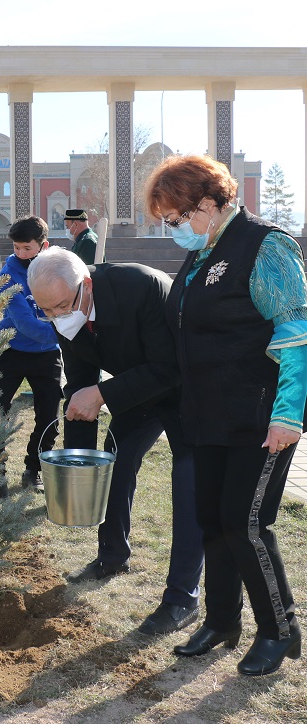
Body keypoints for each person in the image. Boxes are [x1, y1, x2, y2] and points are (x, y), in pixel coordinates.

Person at [144, 154, 307, 675]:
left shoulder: (265, 245)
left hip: (259, 418)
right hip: (206, 416)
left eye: (175, 218)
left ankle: (279, 631)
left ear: (209, 204)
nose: (173, 231)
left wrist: (288, 415)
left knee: (246, 522)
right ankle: (221, 621)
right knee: (212, 520)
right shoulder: (201, 253)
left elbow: (296, 331)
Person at [27, 247, 205, 636]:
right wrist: (78, 463)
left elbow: (169, 366)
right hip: (139, 390)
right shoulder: (62, 306)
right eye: (46, 311)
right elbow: (79, 382)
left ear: (85, 286)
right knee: (114, 462)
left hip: (191, 389)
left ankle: (182, 597)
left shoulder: (143, 287)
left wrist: (103, 395)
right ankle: (111, 556)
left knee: (189, 483)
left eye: (61, 307)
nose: (56, 317)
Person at [0, 215, 62, 495]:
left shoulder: (60, 269)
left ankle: (35, 470)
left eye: (27, 248)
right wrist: (68, 337)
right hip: (10, 350)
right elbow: (24, 323)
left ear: (44, 245)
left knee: (49, 416)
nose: (21, 254)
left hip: (47, 356)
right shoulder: (8, 274)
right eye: (16, 248)